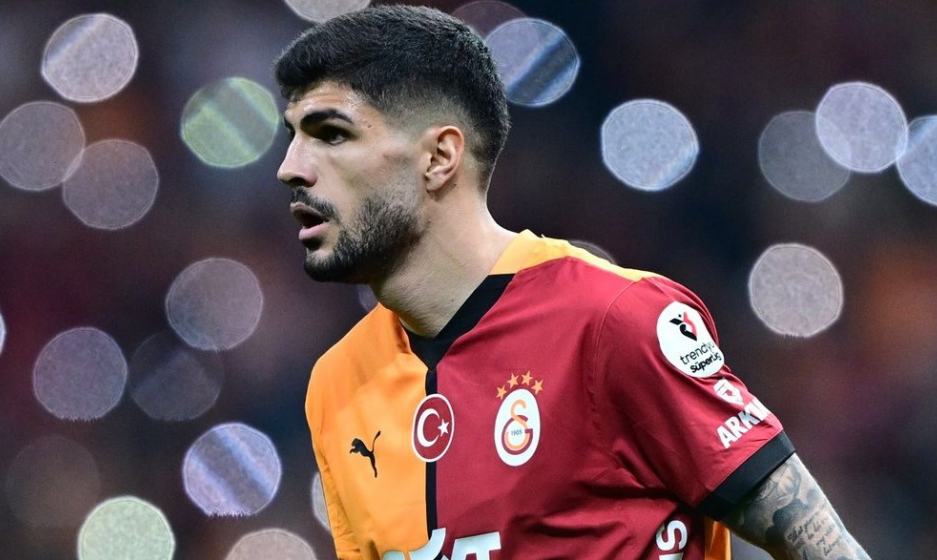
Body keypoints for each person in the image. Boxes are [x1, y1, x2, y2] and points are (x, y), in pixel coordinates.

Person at [274, 5, 870, 559]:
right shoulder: (336, 386)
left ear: (439, 157)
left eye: (331, 134)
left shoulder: (615, 322)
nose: (290, 168)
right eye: (293, 136)